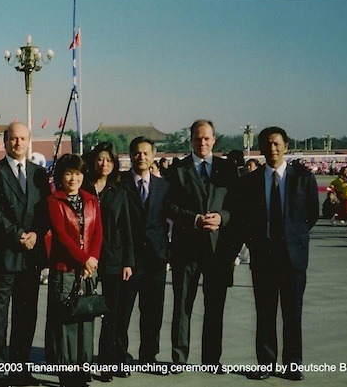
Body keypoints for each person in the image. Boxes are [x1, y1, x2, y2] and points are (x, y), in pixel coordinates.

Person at [236, 126, 318, 381]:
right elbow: (245, 217)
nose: (272, 148)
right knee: (265, 312)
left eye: (276, 143)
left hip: (293, 256)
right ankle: (266, 363)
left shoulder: (303, 177)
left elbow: (312, 214)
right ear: (261, 149)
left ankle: (293, 364)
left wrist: (293, 236)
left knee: (292, 314)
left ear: (285, 146)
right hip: (263, 255)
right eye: (267, 144)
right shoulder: (250, 180)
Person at [163, 119, 239, 371]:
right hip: (187, 248)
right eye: (197, 138)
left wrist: (222, 217)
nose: (202, 142)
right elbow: (170, 206)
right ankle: (179, 357)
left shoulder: (228, 169)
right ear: (191, 140)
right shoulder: (178, 169)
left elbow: (236, 208)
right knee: (182, 305)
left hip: (218, 250)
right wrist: (194, 219)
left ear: (214, 139)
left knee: (215, 306)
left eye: (207, 138)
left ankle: (211, 359)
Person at [0, 121, 50, 386]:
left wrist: (36, 234)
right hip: (4, 255)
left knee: (26, 315)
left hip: (31, 256)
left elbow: (45, 212)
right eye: (13, 138)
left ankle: (20, 369)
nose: (18, 143)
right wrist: (18, 233)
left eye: (22, 138)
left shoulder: (39, 174)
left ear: (28, 141)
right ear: (4, 141)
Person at [44, 153, 102, 386]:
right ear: (60, 176)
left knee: (85, 318)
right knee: (66, 320)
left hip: (88, 268)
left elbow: (98, 231)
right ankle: (67, 372)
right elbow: (62, 236)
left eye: (77, 173)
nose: (73, 178)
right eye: (68, 173)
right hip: (65, 268)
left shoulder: (90, 199)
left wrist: (93, 259)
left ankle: (83, 368)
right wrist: (83, 259)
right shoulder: (54, 201)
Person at [82, 143, 135, 382]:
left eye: (109, 160)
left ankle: (106, 362)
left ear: (114, 164)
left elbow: (126, 229)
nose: (104, 164)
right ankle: (80, 361)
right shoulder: (83, 187)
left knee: (111, 313)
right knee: (83, 310)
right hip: (86, 258)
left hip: (113, 257)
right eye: (100, 159)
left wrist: (128, 262)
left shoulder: (119, 192)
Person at [118, 136, 172, 374]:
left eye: (146, 153)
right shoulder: (120, 184)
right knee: (123, 311)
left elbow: (170, 216)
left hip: (155, 259)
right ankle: (120, 356)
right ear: (130, 156)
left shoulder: (163, 186)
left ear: (153, 156)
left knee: (153, 312)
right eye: (137, 153)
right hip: (129, 259)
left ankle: (149, 357)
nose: (141, 157)